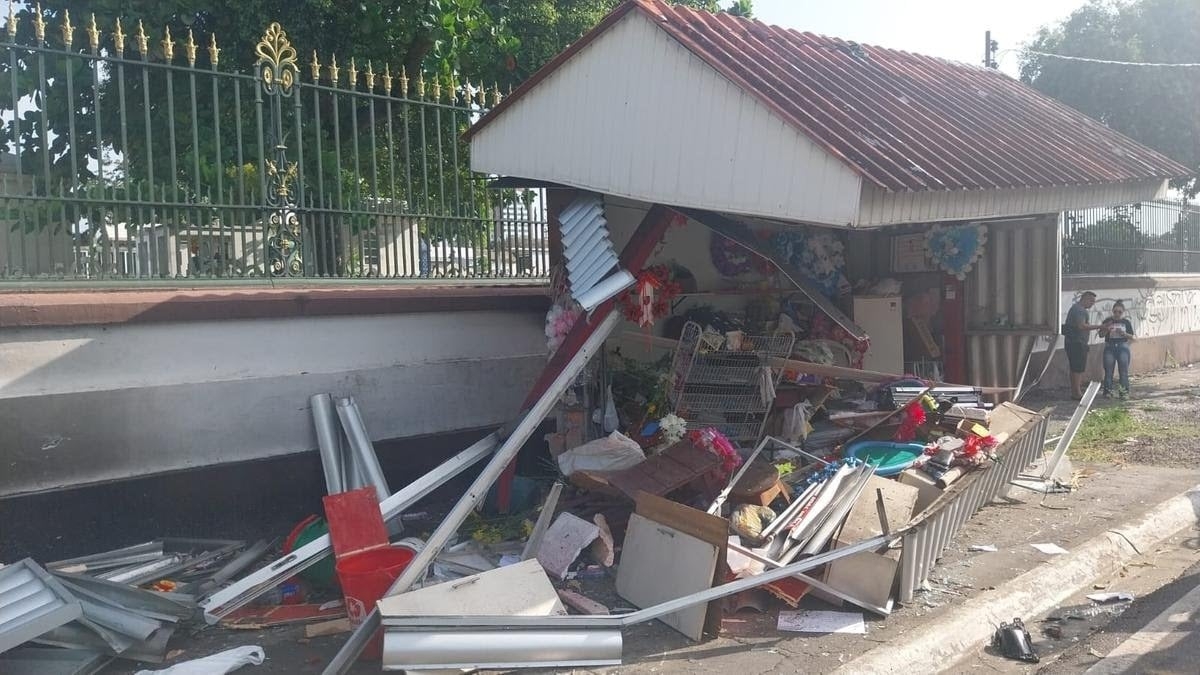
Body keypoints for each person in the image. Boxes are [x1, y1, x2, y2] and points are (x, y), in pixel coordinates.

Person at [1063, 291, 1104, 399]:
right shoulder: (1079, 310)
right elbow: (1081, 326)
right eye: (1091, 301)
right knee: (1078, 368)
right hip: (1077, 342)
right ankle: (1077, 392)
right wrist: (1100, 326)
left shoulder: (1076, 308)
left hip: (1073, 342)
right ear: (1085, 299)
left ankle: (1075, 391)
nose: (1092, 304)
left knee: (1075, 368)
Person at [1099, 301, 1135, 399]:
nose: (1117, 314)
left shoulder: (1126, 322)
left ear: (1123, 312)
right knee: (1108, 371)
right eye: (1115, 311)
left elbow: (1132, 336)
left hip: (1122, 346)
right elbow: (1101, 334)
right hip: (1110, 346)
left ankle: (1123, 393)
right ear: (1112, 311)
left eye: (1120, 312)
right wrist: (1107, 328)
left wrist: (1124, 334)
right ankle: (1108, 392)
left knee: (1123, 371)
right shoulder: (1108, 321)